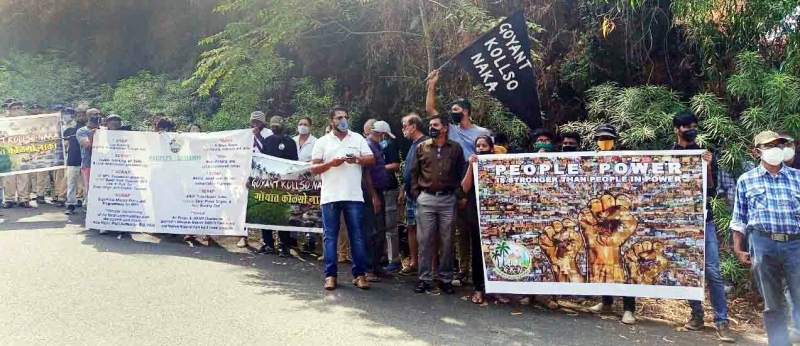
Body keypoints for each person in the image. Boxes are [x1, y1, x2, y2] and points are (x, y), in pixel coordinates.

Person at [731, 131, 800, 346]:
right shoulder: (746, 180)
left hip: (795, 244)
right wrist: (738, 249)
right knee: (772, 303)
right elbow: (739, 218)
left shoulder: (797, 177)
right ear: (757, 152)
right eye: (769, 146)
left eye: (778, 145)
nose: (775, 150)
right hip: (762, 244)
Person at [670, 111, 733, 342]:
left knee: (713, 272)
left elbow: (712, 189)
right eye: (686, 127)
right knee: (689, 271)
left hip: (704, 220)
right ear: (677, 130)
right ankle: (696, 315)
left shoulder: (706, 155)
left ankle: (721, 321)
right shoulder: (668, 156)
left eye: (693, 126)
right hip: (681, 221)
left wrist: (706, 166)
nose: (691, 130)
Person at [425, 70, 489, 285]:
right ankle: (463, 270)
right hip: (458, 183)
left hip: (480, 186)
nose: (452, 113)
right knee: (460, 230)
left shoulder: (483, 132)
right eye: (451, 110)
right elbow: (430, 110)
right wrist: (432, 85)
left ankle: (484, 272)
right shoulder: (450, 130)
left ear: (466, 111)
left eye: (456, 110)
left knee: (479, 229)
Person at [311, 105, 375, 291]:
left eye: (345, 116)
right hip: (330, 196)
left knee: (357, 237)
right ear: (331, 122)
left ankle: (360, 275)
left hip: (353, 195)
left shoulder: (357, 138)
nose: (343, 120)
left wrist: (357, 160)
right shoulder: (322, 142)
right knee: (330, 237)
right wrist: (331, 163)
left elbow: (371, 159)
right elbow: (314, 168)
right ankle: (330, 276)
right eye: (338, 117)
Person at [586, 124, 637, 325]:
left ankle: (629, 308)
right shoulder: (591, 160)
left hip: (617, 213)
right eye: (600, 138)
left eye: (607, 138)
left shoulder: (624, 159)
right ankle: (606, 302)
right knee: (603, 261)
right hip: (601, 213)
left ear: (615, 139)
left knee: (619, 264)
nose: (604, 141)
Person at [410, 115, 465, 295]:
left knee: (447, 241)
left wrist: (458, 193)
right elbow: (413, 173)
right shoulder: (421, 147)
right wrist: (417, 194)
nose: (432, 127)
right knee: (425, 241)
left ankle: (446, 280)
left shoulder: (455, 148)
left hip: (448, 199)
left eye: (435, 125)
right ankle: (424, 279)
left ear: (444, 128)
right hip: (426, 199)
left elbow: (460, 172)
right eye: (430, 124)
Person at [256, 116, 298, 257]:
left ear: (282, 125)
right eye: (272, 125)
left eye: (277, 125)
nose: (274, 127)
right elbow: (262, 162)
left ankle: (284, 245)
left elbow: (295, 164)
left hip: (284, 184)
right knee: (266, 213)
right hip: (268, 183)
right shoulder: (267, 141)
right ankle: (268, 244)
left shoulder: (290, 142)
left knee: (282, 215)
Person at [461, 135, 493, 304]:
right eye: (478, 145)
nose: (481, 148)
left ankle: (496, 289)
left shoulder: (497, 163)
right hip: (477, 215)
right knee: (478, 253)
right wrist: (471, 167)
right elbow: (465, 187)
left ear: (491, 148)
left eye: (484, 145)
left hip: (495, 217)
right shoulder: (471, 163)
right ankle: (478, 288)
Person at [371, 120, 403, 273]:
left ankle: (394, 259)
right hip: (377, 189)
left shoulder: (390, 145)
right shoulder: (371, 145)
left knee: (390, 225)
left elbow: (396, 165)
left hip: (389, 187)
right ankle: (381, 257)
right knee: (378, 226)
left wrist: (378, 167)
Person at [399, 113, 428, 276]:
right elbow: (409, 169)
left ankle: (428, 265)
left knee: (425, 229)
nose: (403, 129)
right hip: (410, 192)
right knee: (411, 227)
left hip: (421, 194)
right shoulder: (413, 144)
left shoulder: (425, 143)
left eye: (404, 126)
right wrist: (403, 187)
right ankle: (414, 262)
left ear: (413, 126)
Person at [240, 110, 274, 248]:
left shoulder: (269, 134)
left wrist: (258, 135)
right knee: (244, 204)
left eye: (258, 122)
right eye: (253, 121)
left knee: (261, 204)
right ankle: (243, 236)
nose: (255, 124)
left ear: (263, 122)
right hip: (246, 172)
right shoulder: (245, 133)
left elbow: (267, 151)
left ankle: (264, 238)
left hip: (263, 174)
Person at [362, 120, 390, 282]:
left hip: (379, 191)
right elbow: (366, 174)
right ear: (381, 134)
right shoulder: (368, 147)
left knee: (380, 230)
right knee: (370, 231)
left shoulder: (377, 146)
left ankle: (377, 265)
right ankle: (367, 268)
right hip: (370, 194)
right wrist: (373, 196)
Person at [293, 116, 318, 253]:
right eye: (300, 124)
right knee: (294, 211)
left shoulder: (316, 142)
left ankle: (311, 240)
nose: (302, 126)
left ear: (310, 127)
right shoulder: (292, 141)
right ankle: (294, 240)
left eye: (305, 124)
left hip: (310, 182)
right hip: (293, 183)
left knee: (309, 212)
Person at [3, 100, 33, 208]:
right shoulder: (4, 122)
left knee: (24, 176)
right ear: (10, 111)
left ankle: (23, 199)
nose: (17, 111)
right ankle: (9, 199)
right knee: (9, 177)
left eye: (19, 108)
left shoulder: (28, 123)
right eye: (14, 109)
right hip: (8, 152)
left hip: (23, 151)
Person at [75, 109, 102, 228]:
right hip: (88, 165)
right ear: (87, 117)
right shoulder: (82, 131)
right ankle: (91, 218)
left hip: (104, 165)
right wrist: (93, 134)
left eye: (98, 114)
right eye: (94, 115)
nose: (97, 116)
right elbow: (86, 144)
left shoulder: (105, 130)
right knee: (90, 191)